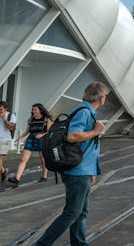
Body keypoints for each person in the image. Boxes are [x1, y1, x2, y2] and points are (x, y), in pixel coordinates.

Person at [36, 83, 107, 246]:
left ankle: (79, 243)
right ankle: (42, 244)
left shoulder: (83, 110)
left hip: (83, 170)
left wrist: (92, 171)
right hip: (77, 171)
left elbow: (85, 146)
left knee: (80, 211)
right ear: (102, 98)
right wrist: (96, 131)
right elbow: (72, 136)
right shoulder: (84, 112)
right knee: (72, 212)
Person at [7, 103, 52, 185]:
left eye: (35, 109)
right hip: (31, 139)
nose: (33, 111)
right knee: (23, 159)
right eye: (32, 109)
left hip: (42, 140)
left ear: (40, 110)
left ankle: (44, 176)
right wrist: (20, 137)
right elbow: (27, 131)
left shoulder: (46, 119)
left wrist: (42, 135)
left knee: (43, 160)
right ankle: (17, 179)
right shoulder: (30, 119)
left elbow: (49, 131)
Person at [0, 101, 16, 183]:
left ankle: (3, 171)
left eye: (1, 109)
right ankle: (3, 171)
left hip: (5, 140)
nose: (0, 111)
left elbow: (11, 128)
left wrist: (5, 119)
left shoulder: (11, 116)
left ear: (5, 109)